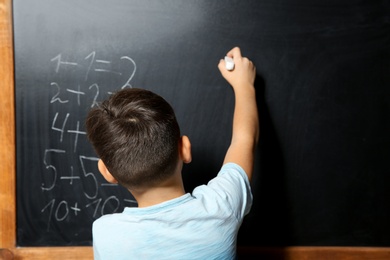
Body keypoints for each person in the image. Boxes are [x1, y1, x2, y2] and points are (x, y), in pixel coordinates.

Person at [85, 46, 259, 259]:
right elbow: (245, 140)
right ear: (185, 149)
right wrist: (244, 85)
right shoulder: (221, 207)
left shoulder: (106, 233)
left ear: (107, 172)